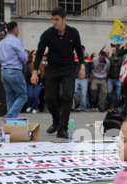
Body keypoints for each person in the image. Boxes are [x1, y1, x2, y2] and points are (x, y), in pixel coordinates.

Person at [31, 6, 86, 139]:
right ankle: (56, 121)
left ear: (64, 19)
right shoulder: (48, 34)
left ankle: (62, 128)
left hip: (68, 69)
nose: (54, 22)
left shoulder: (73, 33)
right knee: (49, 98)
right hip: (53, 69)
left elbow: (79, 50)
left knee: (67, 96)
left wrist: (82, 67)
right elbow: (39, 53)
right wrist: (34, 72)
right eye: (52, 19)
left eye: (56, 19)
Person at [0, 22, 28, 118]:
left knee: (9, 97)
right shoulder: (16, 41)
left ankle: (11, 120)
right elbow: (23, 57)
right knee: (22, 95)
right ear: (16, 30)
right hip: (14, 70)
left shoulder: (0, 43)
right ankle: (10, 115)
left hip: (4, 71)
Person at [74, 46, 91, 112]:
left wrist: (90, 77)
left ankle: (83, 107)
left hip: (85, 78)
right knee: (74, 91)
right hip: (76, 77)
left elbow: (90, 68)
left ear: (84, 50)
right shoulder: (75, 58)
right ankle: (78, 104)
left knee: (84, 93)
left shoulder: (88, 58)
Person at [107, 46, 122, 111]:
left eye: (115, 50)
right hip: (110, 79)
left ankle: (116, 106)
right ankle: (111, 105)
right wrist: (114, 60)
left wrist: (117, 60)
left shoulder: (120, 59)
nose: (114, 52)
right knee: (110, 92)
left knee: (117, 94)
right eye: (112, 50)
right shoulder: (109, 59)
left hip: (118, 79)